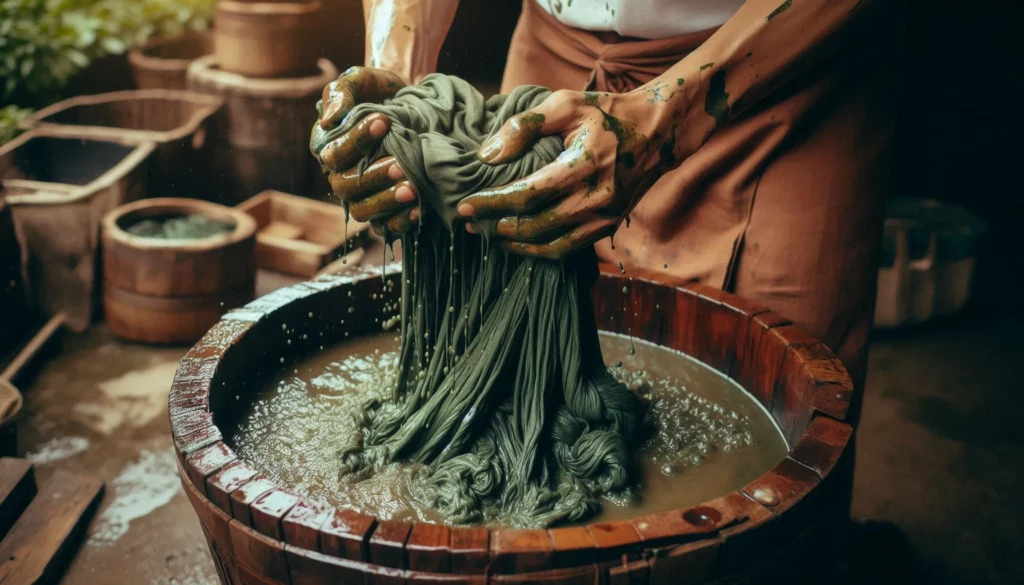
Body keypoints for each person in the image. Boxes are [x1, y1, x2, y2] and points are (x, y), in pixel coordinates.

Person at [313, 0, 905, 413]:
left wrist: (671, 111)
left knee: (770, 393)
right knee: (503, 366)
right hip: (554, 51)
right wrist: (398, 69)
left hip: (779, 66)